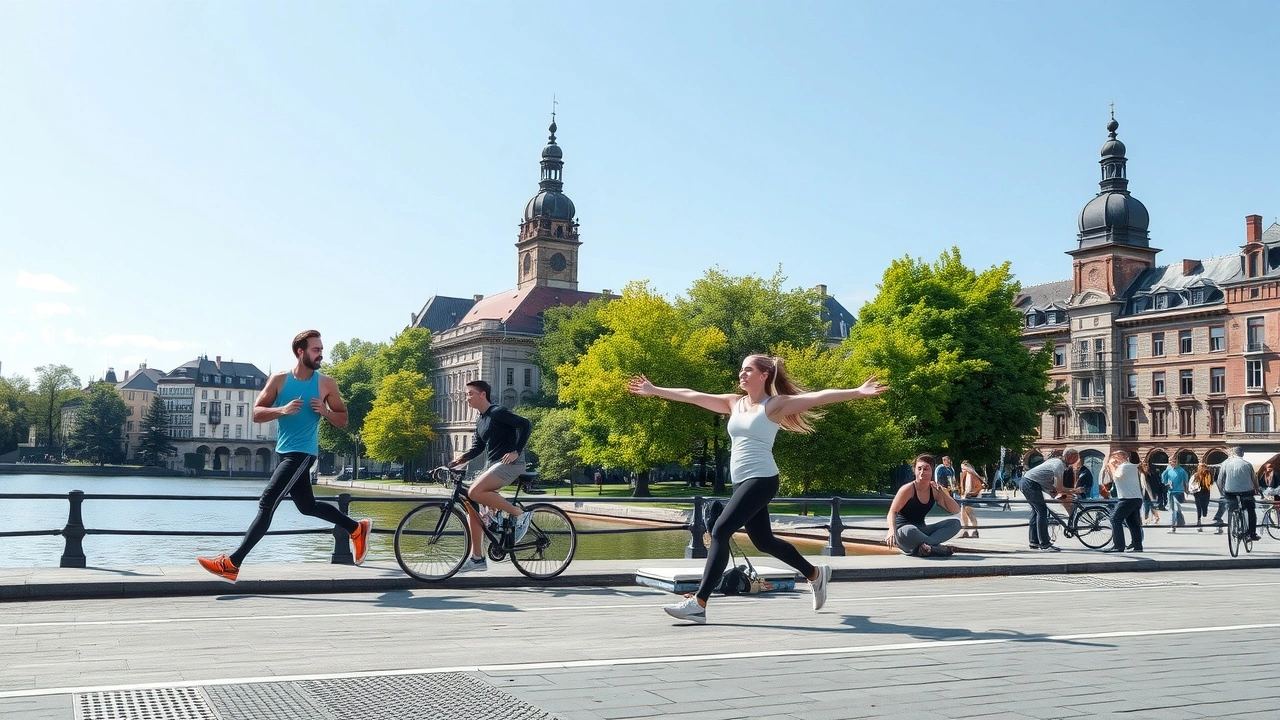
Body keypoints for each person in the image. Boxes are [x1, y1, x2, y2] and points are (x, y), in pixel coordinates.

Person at [628, 355, 887, 624]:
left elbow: (818, 397)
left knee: (720, 530)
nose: (742, 374)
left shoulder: (773, 405)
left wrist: (858, 392)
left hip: (762, 479)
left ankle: (699, 603)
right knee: (763, 542)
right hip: (743, 482)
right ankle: (815, 574)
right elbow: (692, 395)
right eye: (741, 370)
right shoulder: (734, 403)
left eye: (748, 370)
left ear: (764, 375)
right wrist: (655, 390)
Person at [197, 330, 372, 583]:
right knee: (307, 506)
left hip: (302, 455)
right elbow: (257, 413)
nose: (320, 353)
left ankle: (232, 564)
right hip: (284, 452)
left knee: (267, 503)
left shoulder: (326, 383)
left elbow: (343, 419)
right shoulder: (279, 380)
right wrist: (282, 409)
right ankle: (356, 528)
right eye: (315, 349)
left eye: (321, 349)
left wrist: (325, 411)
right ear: (300, 352)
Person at [448, 380, 535, 573]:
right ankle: (477, 558)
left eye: (469, 393)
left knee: (475, 491)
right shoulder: (480, 420)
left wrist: (516, 451)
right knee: (471, 503)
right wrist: (458, 460)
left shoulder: (497, 412)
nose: (466, 397)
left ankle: (520, 515)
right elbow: (477, 448)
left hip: (512, 464)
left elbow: (525, 424)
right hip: (494, 465)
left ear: (482, 395)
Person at [887, 454, 962, 555]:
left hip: (922, 530)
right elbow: (892, 511)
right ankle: (937, 549)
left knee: (955, 524)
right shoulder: (908, 489)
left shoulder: (934, 490)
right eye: (919, 469)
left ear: (932, 471)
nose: (922, 472)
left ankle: (927, 547)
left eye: (926, 469)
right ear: (914, 470)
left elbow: (955, 510)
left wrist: (941, 492)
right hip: (905, 533)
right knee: (910, 529)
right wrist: (891, 530)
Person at [1018, 449, 1079, 552]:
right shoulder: (1058, 466)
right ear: (1068, 456)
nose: (1076, 460)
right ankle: (1045, 544)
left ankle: (1034, 541)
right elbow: (1059, 488)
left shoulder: (1056, 462)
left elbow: (1051, 487)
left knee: (1036, 512)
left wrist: (1060, 496)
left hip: (1028, 482)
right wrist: (1074, 491)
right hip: (1030, 484)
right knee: (1042, 511)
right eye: (1075, 457)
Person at [1101, 450, 1144, 553]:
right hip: (1135, 498)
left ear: (1120, 456)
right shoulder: (1130, 466)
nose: (1113, 459)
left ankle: (1118, 546)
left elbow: (1117, 477)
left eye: (1114, 456)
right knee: (1132, 522)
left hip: (1127, 498)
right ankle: (1138, 546)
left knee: (1115, 519)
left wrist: (1111, 466)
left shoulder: (1125, 466)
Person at [1218, 446, 1260, 542]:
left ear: (1233, 453)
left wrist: (1222, 492)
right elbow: (1254, 480)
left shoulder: (1225, 464)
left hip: (1230, 492)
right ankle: (1252, 533)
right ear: (1242, 454)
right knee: (1251, 510)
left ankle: (1234, 517)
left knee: (1232, 506)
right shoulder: (1247, 464)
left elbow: (1220, 479)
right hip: (1246, 492)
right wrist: (1258, 490)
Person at [957, 460, 983, 538]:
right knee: (964, 514)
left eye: (963, 468)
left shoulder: (970, 474)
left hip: (969, 496)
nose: (962, 470)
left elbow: (969, 487)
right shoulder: (971, 474)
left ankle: (973, 531)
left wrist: (965, 495)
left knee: (969, 514)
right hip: (970, 496)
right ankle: (967, 531)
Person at [1162, 457, 1188, 532]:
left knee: (1177, 509)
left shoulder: (1181, 470)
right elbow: (1163, 480)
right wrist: (1167, 483)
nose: (1172, 463)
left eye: (1173, 461)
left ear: (1177, 462)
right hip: (1171, 492)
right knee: (1174, 509)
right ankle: (1175, 524)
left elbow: (1185, 481)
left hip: (1179, 492)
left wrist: (1186, 490)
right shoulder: (1168, 470)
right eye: (1170, 461)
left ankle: (1175, 524)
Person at [1191, 461, 1213, 532]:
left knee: (1205, 507)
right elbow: (1192, 483)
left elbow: (1211, 482)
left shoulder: (1208, 475)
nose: (1199, 468)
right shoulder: (1196, 475)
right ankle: (1199, 521)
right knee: (1199, 507)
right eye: (1199, 467)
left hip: (1206, 492)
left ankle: (1202, 518)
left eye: (1200, 467)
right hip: (1197, 493)